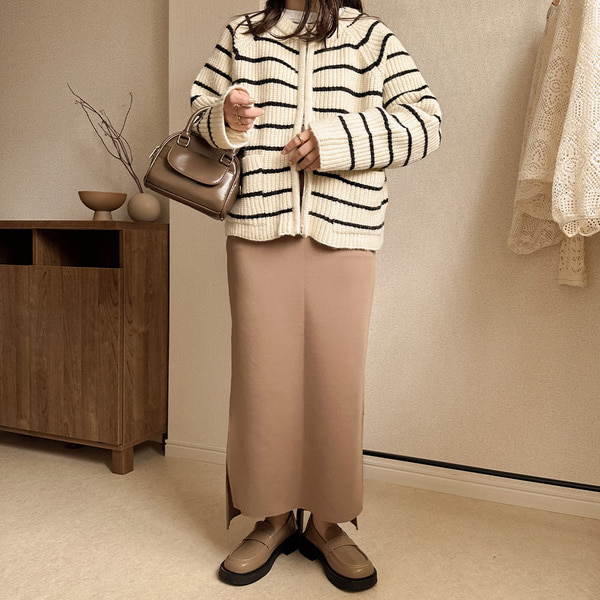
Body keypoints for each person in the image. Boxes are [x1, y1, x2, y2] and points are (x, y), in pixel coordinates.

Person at [191, 0, 441, 592]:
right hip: (258, 227)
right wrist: (225, 117)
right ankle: (271, 517)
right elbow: (198, 117)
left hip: (346, 231)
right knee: (263, 381)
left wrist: (335, 141)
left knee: (336, 381)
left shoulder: (370, 37)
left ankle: (328, 523)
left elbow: (426, 124)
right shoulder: (242, 34)